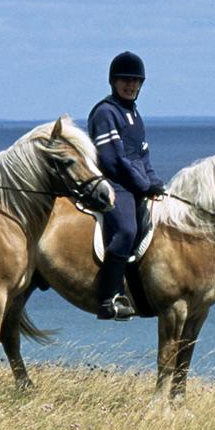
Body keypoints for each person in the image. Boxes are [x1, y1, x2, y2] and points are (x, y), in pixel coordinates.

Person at [85, 50, 162, 320]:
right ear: (113, 81)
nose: (131, 85)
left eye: (135, 81)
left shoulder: (134, 114)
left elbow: (143, 156)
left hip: (135, 184)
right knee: (127, 230)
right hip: (113, 183)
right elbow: (114, 160)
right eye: (125, 80)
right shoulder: (106, 113)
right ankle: (108, 298)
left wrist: (154, 183)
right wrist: (143, 185)